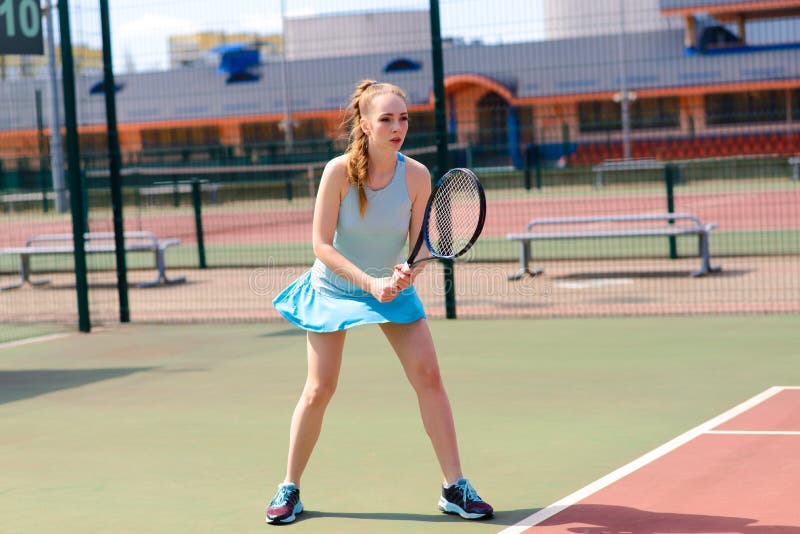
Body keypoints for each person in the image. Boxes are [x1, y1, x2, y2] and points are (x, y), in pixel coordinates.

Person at [267, 80, 493, 525]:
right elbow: (321, 245)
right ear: (365, 125)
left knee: (429, 376)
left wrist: (407, 274)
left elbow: (423, 245)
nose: (397, 127)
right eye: (386, 119)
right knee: (319, 388)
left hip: (391, 290)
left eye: (403, 118)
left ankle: (455, 487)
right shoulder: (337, 172)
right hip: (335, 289)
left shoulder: (418, 176)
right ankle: (289, 487)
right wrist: (371, 284)